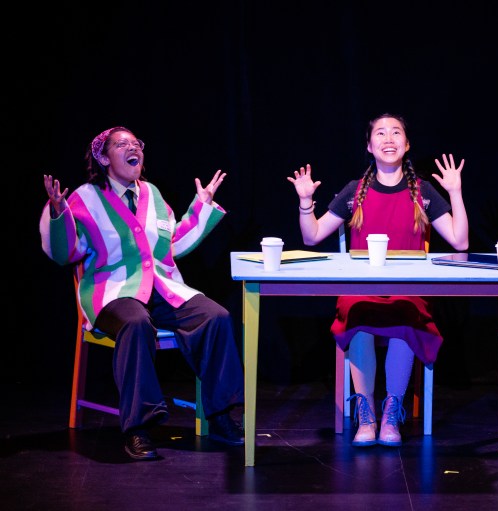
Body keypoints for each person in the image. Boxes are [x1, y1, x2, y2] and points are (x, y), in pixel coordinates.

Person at [40, 126, 246, 461]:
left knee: (216, 317)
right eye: (122, 145)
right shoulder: (85, 198)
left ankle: (220, 415)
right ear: (104, 157)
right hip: (112, 292)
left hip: (162, 288)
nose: (133, 148)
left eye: (137, 144)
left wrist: (201, 206)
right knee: (136, 324)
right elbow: (66, 252)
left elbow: (174, 243)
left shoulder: (152, 194)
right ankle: (138, 428)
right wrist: (59, 213)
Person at [287, 113, 469, 447]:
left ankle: (391, 409)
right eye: (380, 133)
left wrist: (455, 192)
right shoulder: (354, 192)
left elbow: (460, 241)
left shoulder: (424, 192)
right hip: (361, 290)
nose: (388, 138)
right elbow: (312, 237)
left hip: (408, 292)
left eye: (396, 132)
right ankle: (366, 410)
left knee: (404, 313)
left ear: (407, 144)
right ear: (369, 146)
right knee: (356, 311)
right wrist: (304, 203)